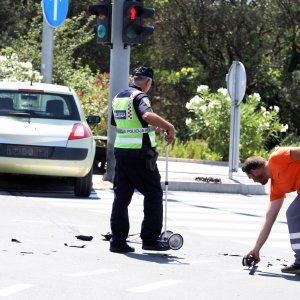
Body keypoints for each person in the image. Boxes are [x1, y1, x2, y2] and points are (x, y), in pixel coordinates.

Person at [109, 66, 175, 253]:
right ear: (148, 82)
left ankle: (118, 242)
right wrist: (169, 126)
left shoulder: (119, 97)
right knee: (153, 194)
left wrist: (151, 128)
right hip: (140, 154)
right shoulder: (140, 96)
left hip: (122, 152)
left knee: (121, 198)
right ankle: (150, 239)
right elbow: (146, 115)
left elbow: (125, 125)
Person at [242, 147, 300, 274]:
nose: (254, 181)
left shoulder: (277, 158)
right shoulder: (276, 187)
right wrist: (256, 249)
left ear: (254, 171)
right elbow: (269, 219)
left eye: (251, 177)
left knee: (293, 213)